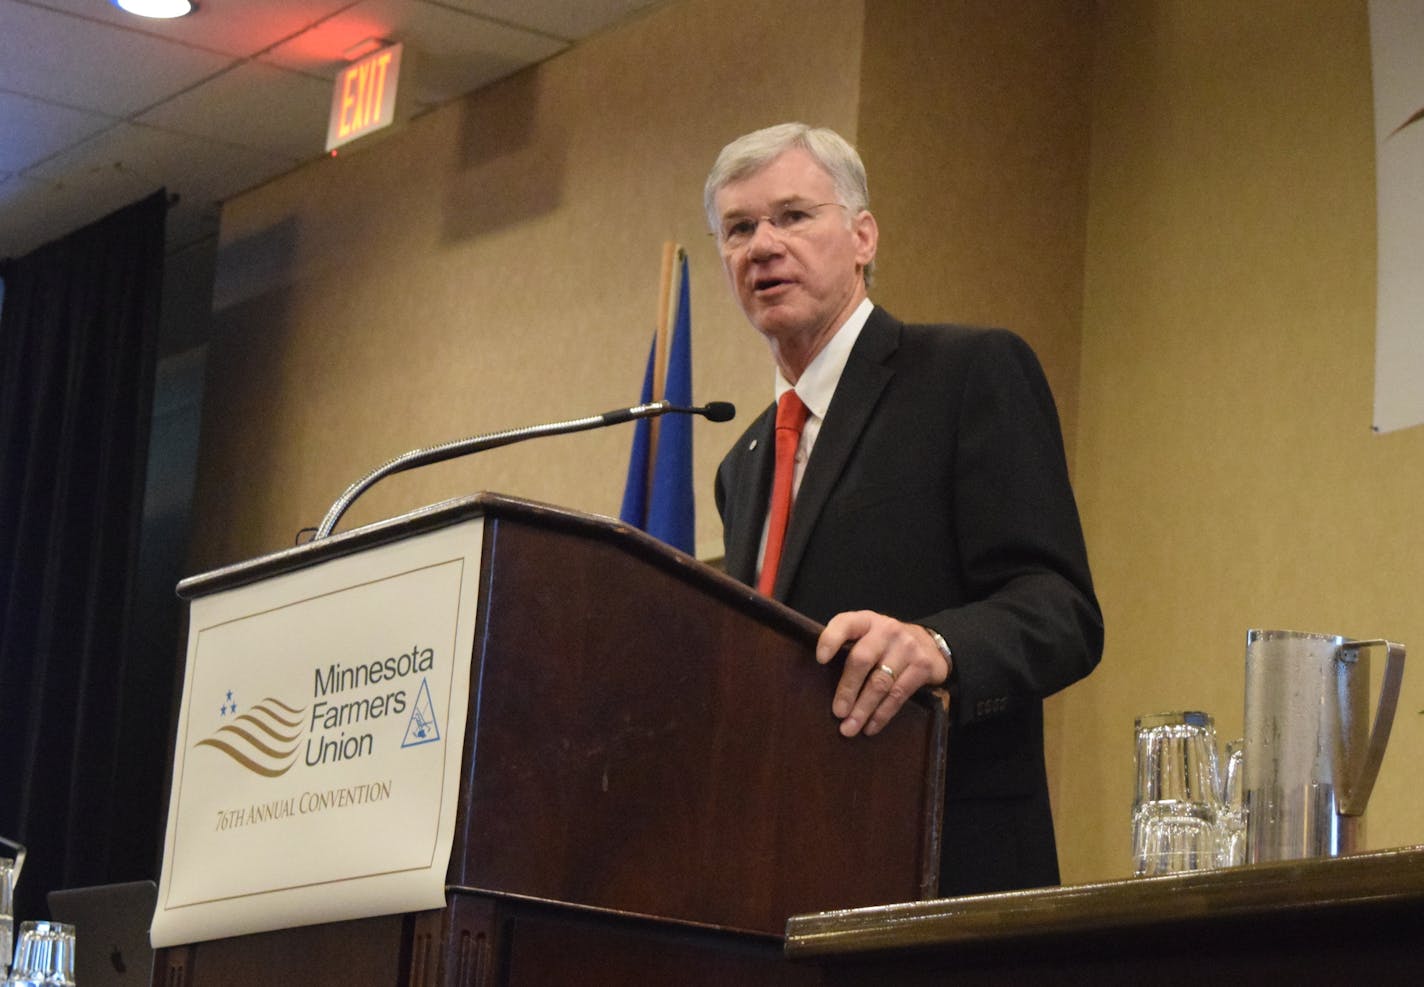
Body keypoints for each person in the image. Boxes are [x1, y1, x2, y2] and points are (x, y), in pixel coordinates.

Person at [706, 123, 1103, 896]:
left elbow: (1063, 612)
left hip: (947, 870)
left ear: (862, 236)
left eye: (792, 216)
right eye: (739, 227)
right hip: (789, 873)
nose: (762, 245)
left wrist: (936, 644)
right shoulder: (742, 463)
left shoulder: (965, 375)